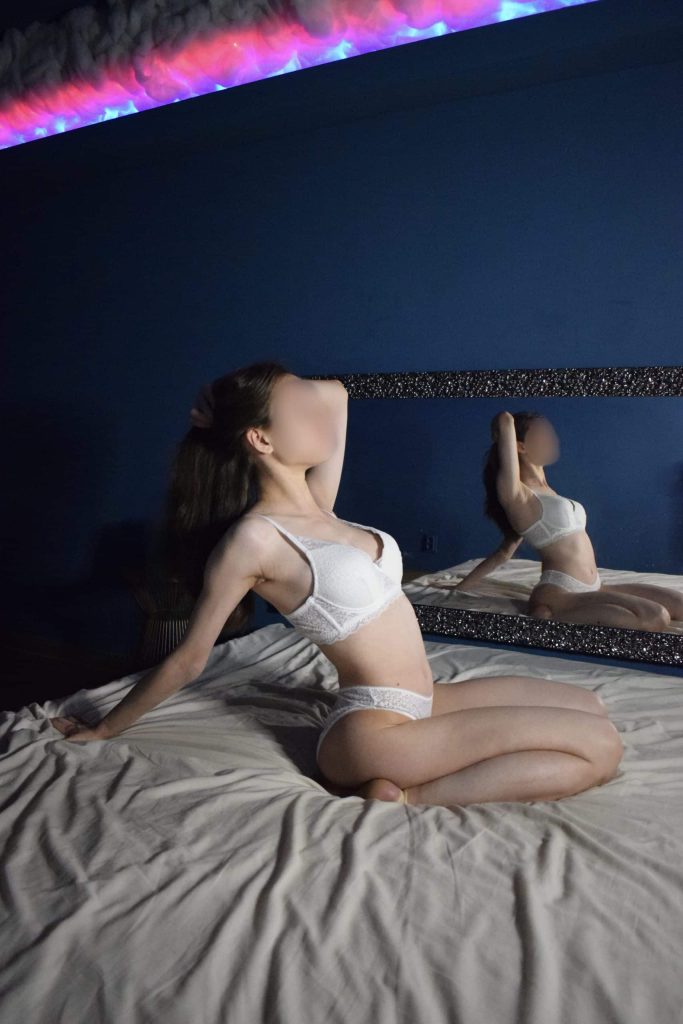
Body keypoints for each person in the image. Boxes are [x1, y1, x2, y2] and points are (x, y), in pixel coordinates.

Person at [51, 366, 624, 809]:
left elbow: (337, 393)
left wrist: (232, 403)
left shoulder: (321, 509)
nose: (319, 414)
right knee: (601, 747)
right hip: (372, 730)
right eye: (300, 411)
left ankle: (406, 777)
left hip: (423, 700)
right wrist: (102, 728)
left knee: (592, 706)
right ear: (261, 439)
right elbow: (189, 659)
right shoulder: (254, 540)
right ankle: (408, 796)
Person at [455, 410, 683, 630]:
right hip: (561, 592)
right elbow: (505, 418)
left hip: (596, 586)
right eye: (541, 434)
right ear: (520, 447)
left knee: (679, 605)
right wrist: (500, 432)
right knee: (655, 617)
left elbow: (504, 553)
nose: (551, 438)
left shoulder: (550, 493)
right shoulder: (516, 494)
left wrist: (459, 586)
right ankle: (548, 614)